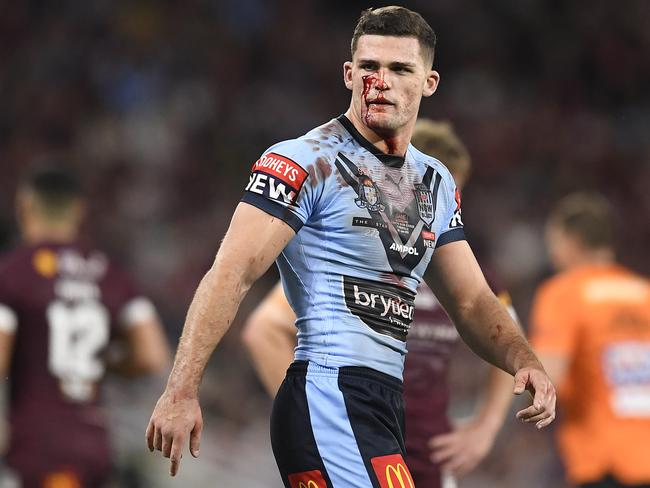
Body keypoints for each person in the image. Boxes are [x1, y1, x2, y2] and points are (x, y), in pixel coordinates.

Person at [147, 6, 556, 487]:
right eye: (369, 67)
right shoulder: (303, 161)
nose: (380, 81)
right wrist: (180, 389)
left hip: (383, 402)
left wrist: (524, 360)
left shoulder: (436, 182)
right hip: (328, 392)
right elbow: (231, 272)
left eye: (400, 69)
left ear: (429, 82)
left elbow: (471, 300)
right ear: (348, 74)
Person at [242, 119, 519, 488]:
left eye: (455, 198)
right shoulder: (357, 257)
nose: (445, 214)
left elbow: (509, 335)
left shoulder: (468, 276)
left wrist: (486, 427)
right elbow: (262, 331)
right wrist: (325, 419)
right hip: (359, 439)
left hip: (430, 454)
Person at [0, 167, 170, 488]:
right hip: (94, 442)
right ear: (79, 211)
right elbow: (152, 355)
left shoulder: (13, 273)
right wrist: (104, 363)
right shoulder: (108, 273)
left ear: (24, 207)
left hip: (36, 441)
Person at [530, 193, 650, 488]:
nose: (553, 254)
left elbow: (547, 378)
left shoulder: (564, 293)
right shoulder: (644, 293)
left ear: (572, 241)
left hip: (605, 463)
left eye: (554, 243)